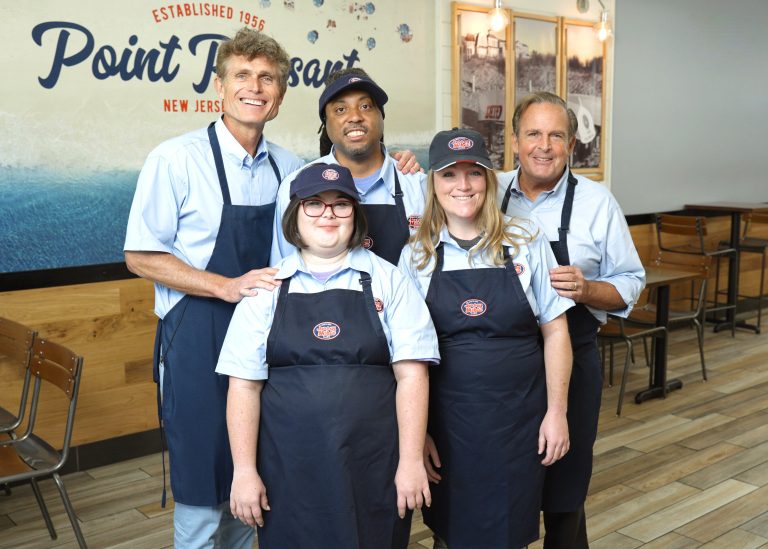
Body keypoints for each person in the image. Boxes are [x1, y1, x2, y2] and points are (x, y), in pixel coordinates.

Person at [124, 28, 304, 548]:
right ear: (219, 88)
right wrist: (224, 286)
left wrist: (402, 163)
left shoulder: (289, 168)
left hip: (268, 336)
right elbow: (140, 255)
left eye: (267, 78)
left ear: (280, 95)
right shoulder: (175, 159)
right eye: (242, 75)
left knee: (253, 485)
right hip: (195, 338)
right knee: (204, 489)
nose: (255, 86)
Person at [216, 162, 439, 548]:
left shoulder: (390, 280)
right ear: (295, 216)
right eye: (314, 204)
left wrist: (410, 461)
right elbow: (243, 388)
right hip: (286, 469)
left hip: (373, 467)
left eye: (341, 205)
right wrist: (244, 472)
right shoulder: (268, 289)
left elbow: (412, 377)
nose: (328, 215)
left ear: (356, 214)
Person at [399, 128, 574, 548]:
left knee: (512, 531)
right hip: (448, 427)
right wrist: (416, 434)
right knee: (450, 532)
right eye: (449, 175)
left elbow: (556, 332)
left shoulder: (525, 240)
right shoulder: (416, 255)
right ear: (433, 185)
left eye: (474, 174)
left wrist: (557, 412)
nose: (463, 186)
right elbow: (407, 361)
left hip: (519, 422)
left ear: (489, 180)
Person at [498, 92, 645, 549]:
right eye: (534, 134)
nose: (544, 145)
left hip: (574, 359)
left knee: (565, 491)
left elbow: (630, 283)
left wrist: (587, 290)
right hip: (503, 366)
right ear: (515, 140)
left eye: (556, 135)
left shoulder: (598, 203)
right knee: (504, 486)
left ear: (572, 143)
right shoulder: (485, 191)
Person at [272, 68, 427, 266]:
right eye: (340, 109)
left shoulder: (416, 183)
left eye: (365, 106)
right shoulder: (297, 187)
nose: (355, 117)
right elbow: (282, 272)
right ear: (325, 124)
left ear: (382, 116)